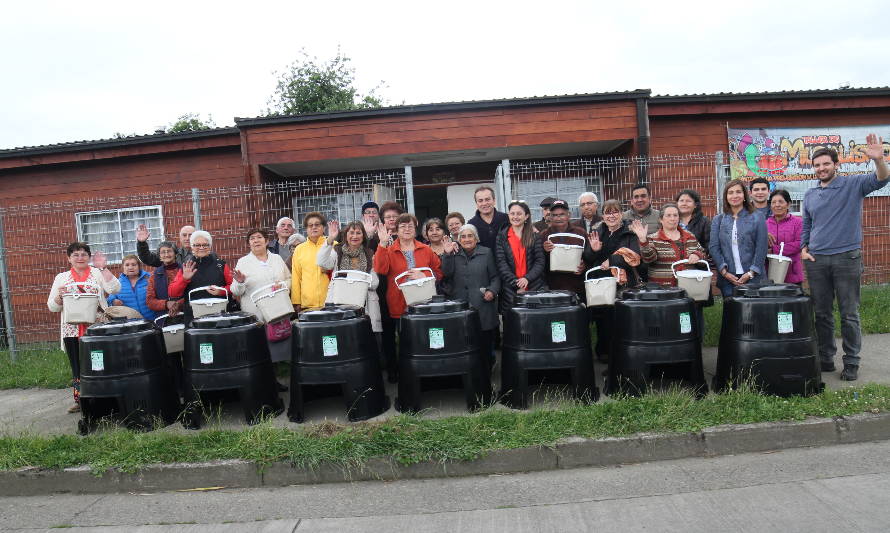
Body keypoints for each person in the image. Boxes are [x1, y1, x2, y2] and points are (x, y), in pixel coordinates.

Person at [801, 135, 889, 381]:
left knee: (849, 314)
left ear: (836, 165)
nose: (821, 168)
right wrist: (803, 249)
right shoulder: (810, 195)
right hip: (816, 261)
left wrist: (879, 160)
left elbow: (882, 178)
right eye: (817, 165)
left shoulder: (854, 185)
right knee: (823, 313)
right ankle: (825, 357)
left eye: (826, 164)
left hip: (846, 259)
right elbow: (807, 225)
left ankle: (851, 362)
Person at [47, 243, 120, 413]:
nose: (80, 258)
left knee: (100, 363)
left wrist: (104, 269)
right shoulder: (61, 278)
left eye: (83, 254)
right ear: (68, 259)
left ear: (89, 257)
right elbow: (52, 306)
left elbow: (115, 288)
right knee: (77, 366)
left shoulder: (96, 273)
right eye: (75, 255)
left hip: (96, 328)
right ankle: (81, 400)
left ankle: (106, 399)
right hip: (71, 331)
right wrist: (59, 296)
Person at [374, 213, 443, 381]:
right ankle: (406, 374)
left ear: (416, 227)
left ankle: (425, 371)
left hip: (424, 303)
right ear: (396, 230)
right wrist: (382, 244)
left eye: (410, 226)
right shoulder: (389, 250)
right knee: (404, 341)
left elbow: (439, 272)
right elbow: (380, 270)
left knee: (423, 338)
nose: (406, 229)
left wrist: (424, 275)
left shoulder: (425, 249)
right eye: (402, 226)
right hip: (399, 302)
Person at [582, 200, 643, 361]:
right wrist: (594, 250)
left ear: (621, 214)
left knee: (619, 320)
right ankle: (604, 353)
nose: (611, 215)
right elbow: (587, 258)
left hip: (621, 284)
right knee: (603, 320)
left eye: (615, 211)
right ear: (602, 215)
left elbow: (635, 257)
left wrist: (612, 260)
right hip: (600, 284)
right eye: (608, 212)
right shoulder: (597, 231)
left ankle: (621, 358)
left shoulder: (629, 232)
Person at [441, 224, 501, 366]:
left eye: (470, 236)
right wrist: (447, 254)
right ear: (459, 239)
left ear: (476, 238)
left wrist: (492, 291)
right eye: (463, 236)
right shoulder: (454, 253)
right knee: (463, 344)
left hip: (483, 305)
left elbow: (496, 277)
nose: (467, 239)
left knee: (485, 345)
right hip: (461, 306)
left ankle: (487, 373)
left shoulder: (486, 253)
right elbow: (446, 273)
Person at [317, 221, 382, 334]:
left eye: (358, 233)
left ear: (363, 236)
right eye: (351, 233)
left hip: (365, 306)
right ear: (346, 235)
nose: (355, 236)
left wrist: (356, 281)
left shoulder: (370, 253)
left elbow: (375, 283)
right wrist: (330, 239)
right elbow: (322, 262)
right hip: (339, 304)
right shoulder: (337, 251)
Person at [709, 179, 768, 297]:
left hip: (753, 278)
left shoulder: (757, 217)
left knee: (753, 313)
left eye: (738, 192)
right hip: (728, 278)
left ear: (745, 195)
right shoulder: (718, 220)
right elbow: (714, 247)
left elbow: (761, 247)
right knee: (731, 314)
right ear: (726, 197)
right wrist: (724, 272)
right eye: (730, 193)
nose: (734, 196)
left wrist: (751, 273)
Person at [167, 230, 233, 323]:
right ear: (192, 247)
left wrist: (221, 291)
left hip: (220, 317)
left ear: (210, 246)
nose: (201, 248)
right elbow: (172, 293)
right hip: (194, 319)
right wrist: (184, 279)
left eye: (205, 245)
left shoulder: (221, 265)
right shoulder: (187, 266)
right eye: (197, 245)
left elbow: (234, 287)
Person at [495, 200, 547, 313]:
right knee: (513, 326)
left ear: (526, 216)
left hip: (534, 287)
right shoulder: (502, 237)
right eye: (512, 213)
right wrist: (517, 283)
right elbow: (501, 263)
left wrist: (527, 279)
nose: (515, 217)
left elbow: (540, 261)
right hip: (510, 290)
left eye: (519, 214)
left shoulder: (535, 235)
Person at [636, 203, 707, 287]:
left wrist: (697, 255)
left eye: (675, 215)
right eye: (668, 215)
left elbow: (703, 254)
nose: (672, 218)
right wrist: (643, 241)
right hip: (662, 289)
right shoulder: (653, 239)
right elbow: (649, 259)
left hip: (689, 287)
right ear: (661, 219)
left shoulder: (690, 236)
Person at [231, 228, 292, 323]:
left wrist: (282, 284)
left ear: (267, 241)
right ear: (249, 244)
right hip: (255, 315)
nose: (256, 240)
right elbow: (236, 292)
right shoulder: (243, 262)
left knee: (282, 337)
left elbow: (289, 279)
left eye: (259, 237)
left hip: (279, 311)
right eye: (252, 238)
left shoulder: (277, 259)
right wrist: (240, 282)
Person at [540, 199, 588, 299]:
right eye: (554, 215)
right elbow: (538, 261)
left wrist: (584, 266)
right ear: (550, 216)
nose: (558, 218)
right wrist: (543, 250)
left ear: (568, 215)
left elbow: (589, 256)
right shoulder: (544, 235)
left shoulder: (581, 233)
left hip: (577, 288)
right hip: (553, 289)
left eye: (562, 214)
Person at [290, 212, 331, 313]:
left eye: (317, 225)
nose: (314, 227)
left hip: (331, 301)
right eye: (310, 225)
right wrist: (296, 301)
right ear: (306, 229)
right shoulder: (299, 249)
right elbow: (296, 276)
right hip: (307, 304)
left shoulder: (333, 245)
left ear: (324, 228)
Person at [766, 189, 803, 285]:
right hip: (770, 273)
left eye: (781, 202)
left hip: (792, 273)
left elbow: (799, 243)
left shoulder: (798, 222)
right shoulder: (765, 224)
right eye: (773, 202)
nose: (777, 205)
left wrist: (774, 250)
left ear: (788, 204)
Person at [107, 254, 158, 320]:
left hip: (152, 320)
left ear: (139, 266)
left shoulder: (149, 278)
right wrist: (113, 300)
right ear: (123, 267)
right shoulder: (118, 283)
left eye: (134, 265)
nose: (130, 267)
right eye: (127, 265)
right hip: (131, 323)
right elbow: (110, 298)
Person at [146, 241, 184, 317]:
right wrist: (166, 304)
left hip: (185, 314)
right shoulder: (154, 275)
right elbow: (150, 301)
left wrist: (178, 304)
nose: (166, 255)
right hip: (164, 318)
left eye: (169, 251)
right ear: (159, 256)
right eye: (163, 252)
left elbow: (191, 294)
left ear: (175, 254)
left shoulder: (185, 270)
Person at [468, 185, 509, 251]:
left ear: (494, 200)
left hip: (505, 261)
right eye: (480, 201)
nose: (484, 203)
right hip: (483, 261)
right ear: (476, 203)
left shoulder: (506, 219)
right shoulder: (471, 224)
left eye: (487, 199)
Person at [675, 189, 711, 254]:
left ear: (695, 205)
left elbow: (709, 245)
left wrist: (698, 254)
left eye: (688, 201)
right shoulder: (671, 221)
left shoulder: (704, 222)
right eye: (681, 201)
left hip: (697, 261)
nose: (684, 204)